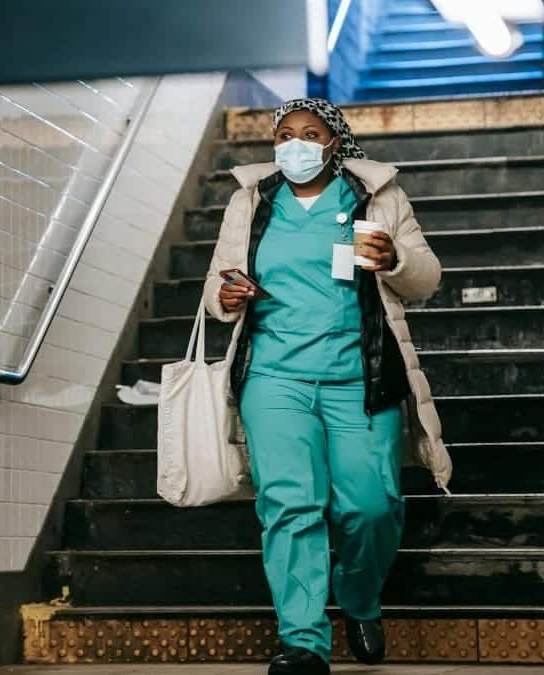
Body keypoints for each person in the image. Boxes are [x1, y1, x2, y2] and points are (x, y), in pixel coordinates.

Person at [202, 98, 453, 675]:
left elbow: (427, 277)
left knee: (371, 506)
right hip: (274, 377)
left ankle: (361, 599)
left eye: (309, 134)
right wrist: (226, 297)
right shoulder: (252, 201)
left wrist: (393, 259)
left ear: (334, 142)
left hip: (358, 378)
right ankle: (304, 644)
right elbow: (216, 288)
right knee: (290, 505)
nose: (295, 144)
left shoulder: (375, 197)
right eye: (284, 134)